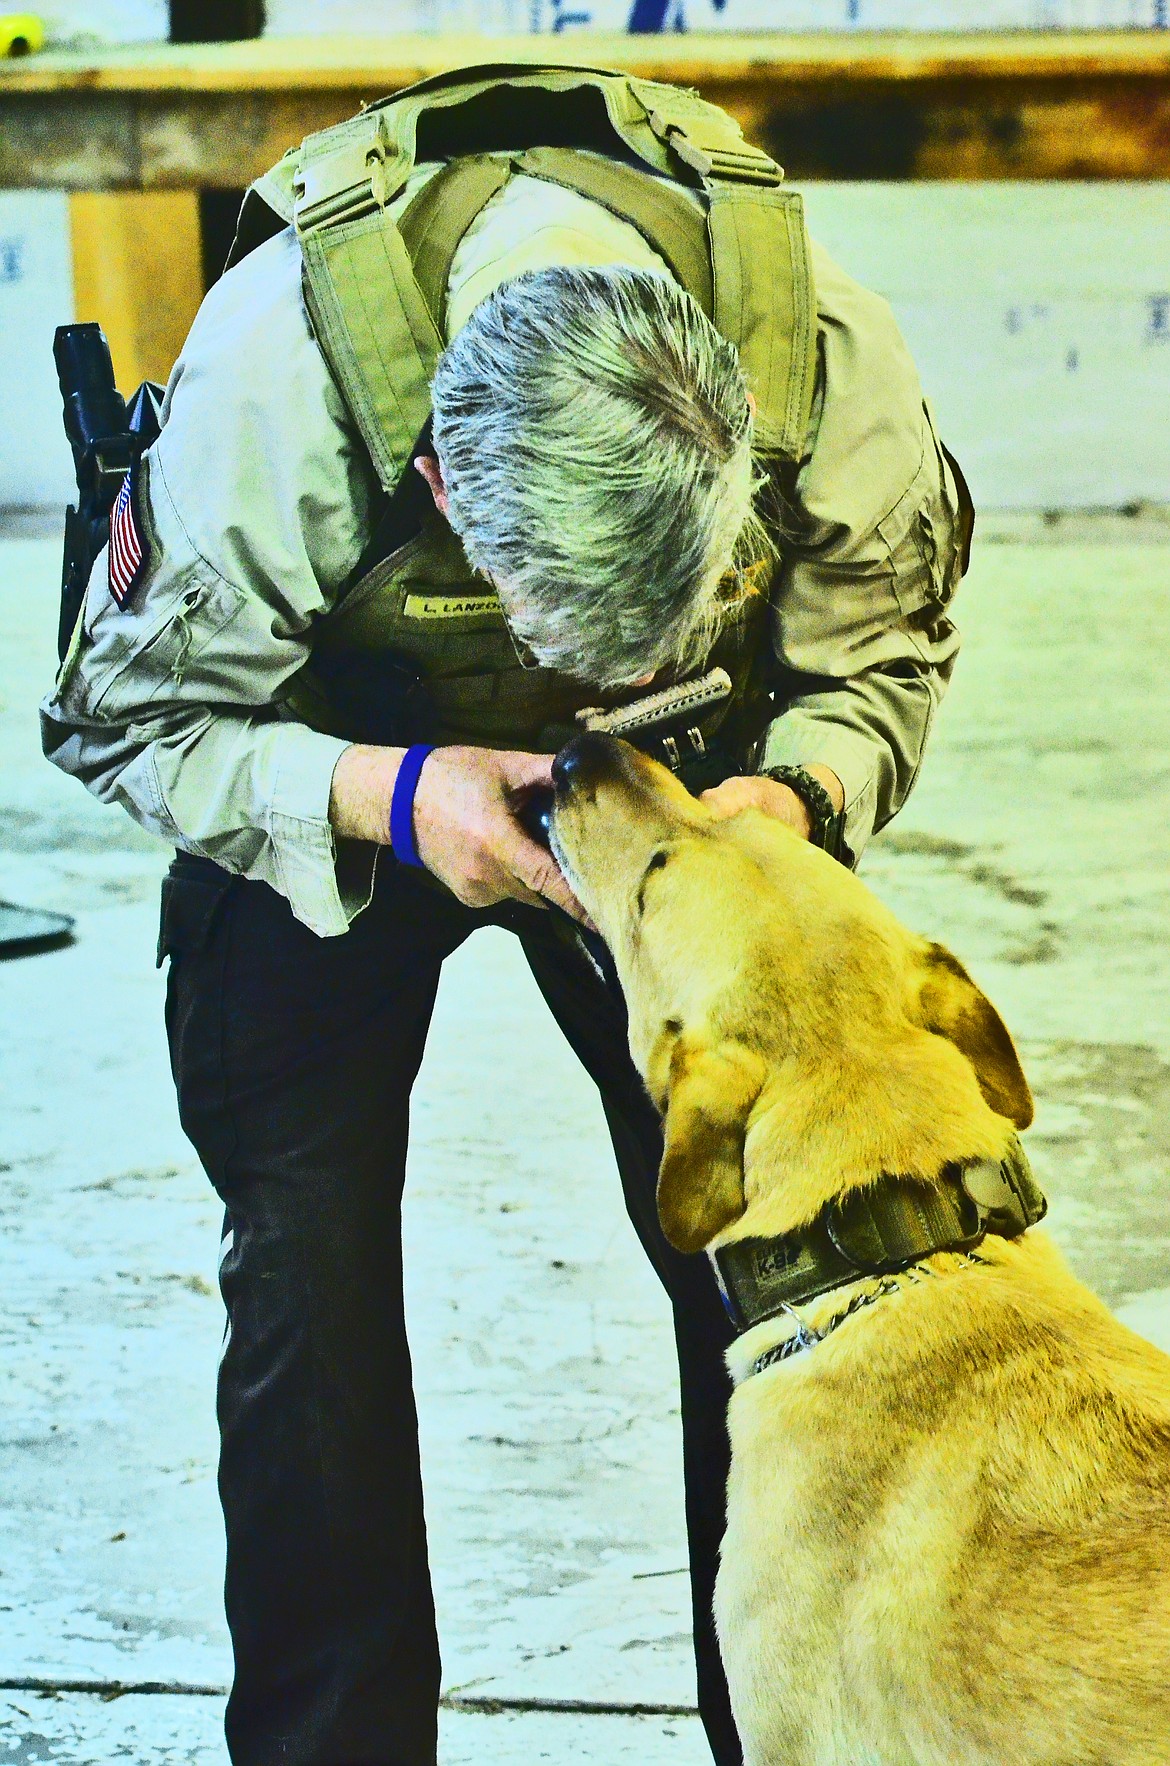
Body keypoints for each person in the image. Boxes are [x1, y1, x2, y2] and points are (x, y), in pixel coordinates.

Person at [42, 64, 968, 1766]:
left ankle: (797, 1727)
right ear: (441, 490)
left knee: (768, 1257)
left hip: (681, 791)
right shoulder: (281, 378)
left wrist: (798, 797)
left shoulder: (818, 352)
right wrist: (390, 799)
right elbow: (121, 709)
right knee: (303, 1264)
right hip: (325, 753)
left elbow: (876, 652)